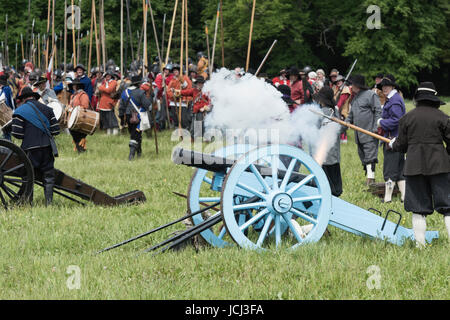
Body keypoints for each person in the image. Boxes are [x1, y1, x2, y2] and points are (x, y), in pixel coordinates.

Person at [390, 82, 449, 248]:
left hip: (414, 166)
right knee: (447, 206)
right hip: (440, 166)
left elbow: (401, 146)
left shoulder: (407, 118)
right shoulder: (443, 118)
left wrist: (392, 144)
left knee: (418, 208)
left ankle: (420, 245)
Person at [11, 87, 60, 205]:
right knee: (48, 176)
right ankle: (49, 203)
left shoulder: (19, 111)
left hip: (29, 149)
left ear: (23, 99)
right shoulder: (48, 109)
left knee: (29, 176)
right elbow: (55, 130)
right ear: (34, 97)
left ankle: (29, 202)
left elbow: (17, 133)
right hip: (47, 148)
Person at [345, 74, 382, 185]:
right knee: (363, 156)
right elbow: (351, 114)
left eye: (353, 84)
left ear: (358, 85)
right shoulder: (355, 97)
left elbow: (378, 111)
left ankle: (371, 179)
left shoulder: (371, 95)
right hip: (358, 134)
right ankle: (368, 175)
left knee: (370, 156)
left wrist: (375, 127)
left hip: (369, 131)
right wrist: (346, 122)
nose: (351, 86)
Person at [376, 74, 406, 203]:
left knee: (390, 169)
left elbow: (397, 120)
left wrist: (381, 122)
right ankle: (405, 197)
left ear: (392, 86)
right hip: (396, 139)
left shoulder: (394, 100)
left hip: (393, 140)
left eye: (387, 85)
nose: (384, 88)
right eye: (383, 86)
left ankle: (387, 198)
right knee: (399, 169)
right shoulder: (393, 99)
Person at [313, 86, 343, 197]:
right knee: (335, 183)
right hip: (334, 153)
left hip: (324, 154)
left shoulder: (323, 112)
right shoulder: (335, 110)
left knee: (327, 184)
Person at [118, 75, 152, 161]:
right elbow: (147, 105)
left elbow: (121, 107)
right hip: (139, 116)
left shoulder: (125, 92)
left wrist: (122, 118)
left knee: (135, 134)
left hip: (128, 116)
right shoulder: (141, 92)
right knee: (136, 134)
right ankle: (131, 155)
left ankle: (139, 152)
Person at [68, 78, 91, 153]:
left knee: (80, 135)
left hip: (81, 119)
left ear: (79, 86)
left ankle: (81, 150)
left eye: (76, 85)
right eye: (73, 85)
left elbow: (85, 106)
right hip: (73, 119)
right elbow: (71, 105)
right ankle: (79, 150)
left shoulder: (83, 95)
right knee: (74, 134)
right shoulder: (72, 96)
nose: (74, 86)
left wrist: (74, 109)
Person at [167, 64, 192, 128]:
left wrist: (182, 82)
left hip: (182, 101)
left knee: (183, 118)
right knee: (175, 117)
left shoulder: (185, 78)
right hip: (174, 101)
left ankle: (186, 128)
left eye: (177, 70)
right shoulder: (172, 80)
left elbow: (188, 88)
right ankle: (177, 128)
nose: (175, 71)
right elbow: (168, 91)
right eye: (174, 70)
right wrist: (174, 95)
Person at [98, 71, 120, 135]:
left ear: (111, 76)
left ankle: (115, 133)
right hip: (103, 104)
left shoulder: (113, 82)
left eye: (109, 76)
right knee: (105, 119)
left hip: (110, 103)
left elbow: (109, 90)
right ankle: (108, 133)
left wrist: (100, 87)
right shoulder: (104, 83)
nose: (107, 77)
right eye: (106, 76)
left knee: (111, 119)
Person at [333, 75, 352, 144]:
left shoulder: (345, 89)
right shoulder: (336, 89)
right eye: (337, 81)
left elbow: (342, 100)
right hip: (336, 108)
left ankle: (344, 140)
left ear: (343, 81)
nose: (338, 82)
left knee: (342, 124)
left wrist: (336, 108)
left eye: (339, 81)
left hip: (343, 109)